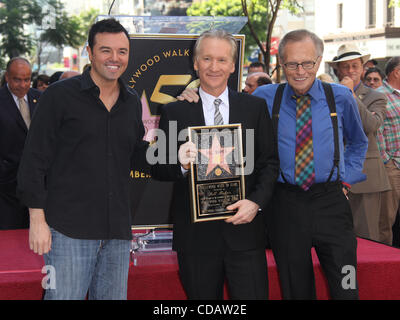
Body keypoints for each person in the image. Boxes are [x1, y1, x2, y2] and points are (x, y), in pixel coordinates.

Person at [17, 18, 148, 300]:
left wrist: (181, 160)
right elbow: (33, 160)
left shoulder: (132, 101)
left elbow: (137, 155)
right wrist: (37, 219)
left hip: (116, 232)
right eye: (106, 50)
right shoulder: (59, 96)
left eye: (122, 51)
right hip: (67, 231)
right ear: (89, 52)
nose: (115, 58)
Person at [151, 29, 279, 300]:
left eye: (222, 60)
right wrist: (181, 164)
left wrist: (255, 203)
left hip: (245, 231)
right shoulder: (175, 111)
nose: (214, 67)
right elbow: (160, 169)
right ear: (195, 63)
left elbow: (269, 163)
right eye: (207, 59)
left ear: (233, 65)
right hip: (196, 238)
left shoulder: (255, 108)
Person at [252, 29, 368, 299]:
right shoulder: (264, 97)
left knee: (346, 282)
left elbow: (358, 142)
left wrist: (347, 180)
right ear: (282, 64)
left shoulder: (340, 96)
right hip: (285, 204)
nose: (300, 71)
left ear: (319, 61)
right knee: (296, 287)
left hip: (331, 202)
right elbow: (226, 108)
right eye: (292, 64)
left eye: (307, 63)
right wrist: (193, 93)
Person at [327, 44, 390, 243]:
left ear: (363, 69)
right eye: (346, 67)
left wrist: (351, 96)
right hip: (332, 177)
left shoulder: (376, 97)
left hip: (366, 178)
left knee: (367, 237)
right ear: (337, 70)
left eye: (355, 66)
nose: (351, 71)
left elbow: (371, 125)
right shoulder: (327, 94)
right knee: (336, 238)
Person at [0, 57, 41, 229]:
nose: (23, 85)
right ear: (7, 77)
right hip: (6, 188)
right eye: (17, 79)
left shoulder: (40, 98)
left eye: (27, 79)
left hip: (37, 184)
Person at [376, 56, 400, 245]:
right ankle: (384, 260)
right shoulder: (380, 95)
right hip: (393, 167)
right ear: (397, 72)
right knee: (387, 219)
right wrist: (387, 161)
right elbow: (376, 131)